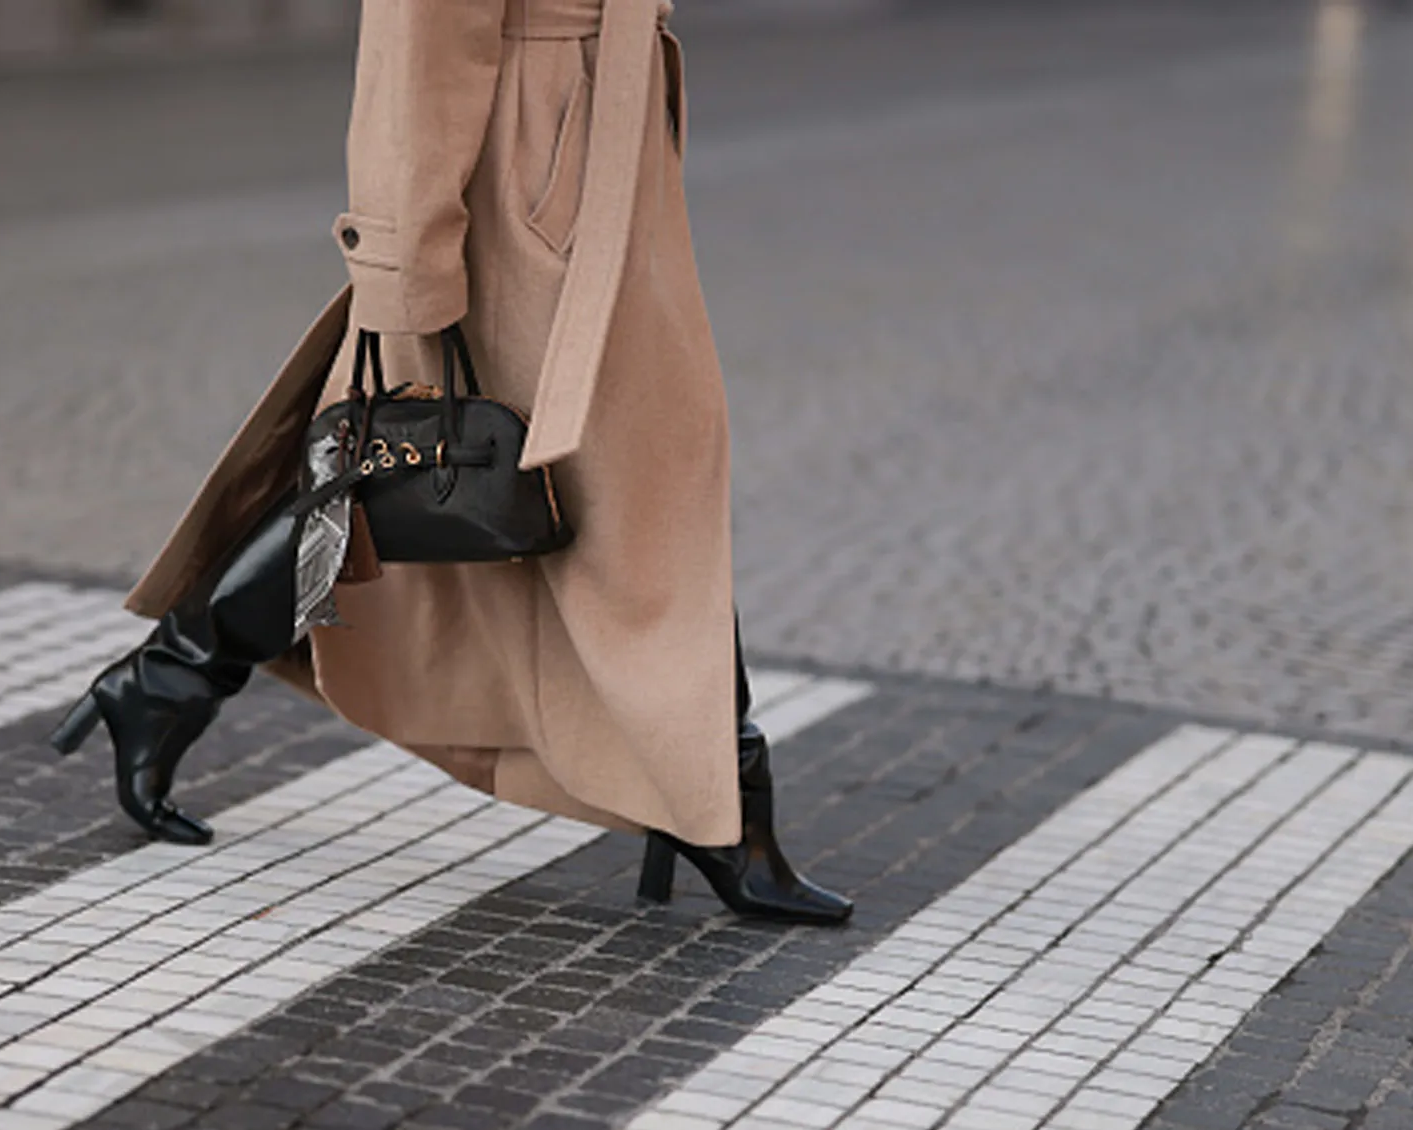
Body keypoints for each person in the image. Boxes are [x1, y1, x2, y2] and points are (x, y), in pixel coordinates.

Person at [51, 0, 852, 926]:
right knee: (450, 476)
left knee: (568, 478)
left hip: (593, 139)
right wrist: (405, 262)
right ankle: (724, 808)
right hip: (518, 167)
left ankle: (168, 681)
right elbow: (418, 37)